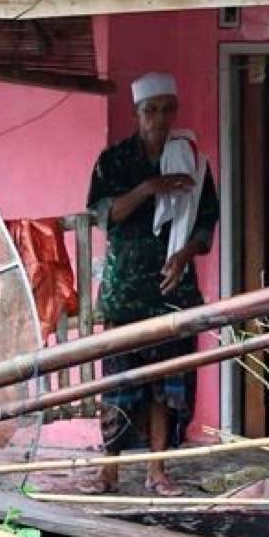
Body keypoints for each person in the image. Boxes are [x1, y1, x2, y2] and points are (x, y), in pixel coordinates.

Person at [79, 72, 219, 496]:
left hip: (172, 292)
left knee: (168, 385)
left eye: (166, 109)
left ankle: (157, 470)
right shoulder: (114, 161)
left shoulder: (191, 160)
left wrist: (185, 254)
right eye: (150, 110)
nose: (159, 118)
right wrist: (148, 188)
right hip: (126, 292)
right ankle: (110, 470)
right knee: (120, 382)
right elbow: (106, 214)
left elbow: (205, 220)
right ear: (137, 113)